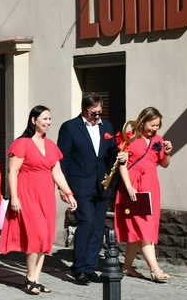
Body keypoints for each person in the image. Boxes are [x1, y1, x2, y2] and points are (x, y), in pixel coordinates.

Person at [0, 106, 77, 294]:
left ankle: (35, 278)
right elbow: (12, 172)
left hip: (46, 196)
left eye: (50, 119)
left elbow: (57, 172)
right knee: (36, 236)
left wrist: (69, 193)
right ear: (34, 120)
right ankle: (30, 277)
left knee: (44, 238)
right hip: (27, 195)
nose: (48, 123)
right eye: (45, 119)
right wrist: (14, 197)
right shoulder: (22, 143)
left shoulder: (51, 145)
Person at [57, 93, 123, 285]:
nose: (97, 117)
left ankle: (91, 266)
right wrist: (64, 188)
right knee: (86, 221)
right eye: (94, 113)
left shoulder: (107, 126)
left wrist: (121, 156)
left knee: (97, 225)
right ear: (85, 110)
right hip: (80, 184)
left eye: (100, 112)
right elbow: (64, 160)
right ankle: (79, 268)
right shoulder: (70, 127)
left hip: (102, 184)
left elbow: (111, 154)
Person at [114, 107, 173, 283]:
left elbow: (164, 164)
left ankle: (127, 267)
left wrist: (168, 152)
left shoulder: (158, 140)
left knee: (138, 230)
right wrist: (129, 186)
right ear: (143, 121)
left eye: (157, 125)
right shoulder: (130, 137)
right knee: (144, 229)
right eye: (152, 124)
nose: (155, 128)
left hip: (151, 187)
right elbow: (121, 164)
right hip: (133, 188)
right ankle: (155, 270)